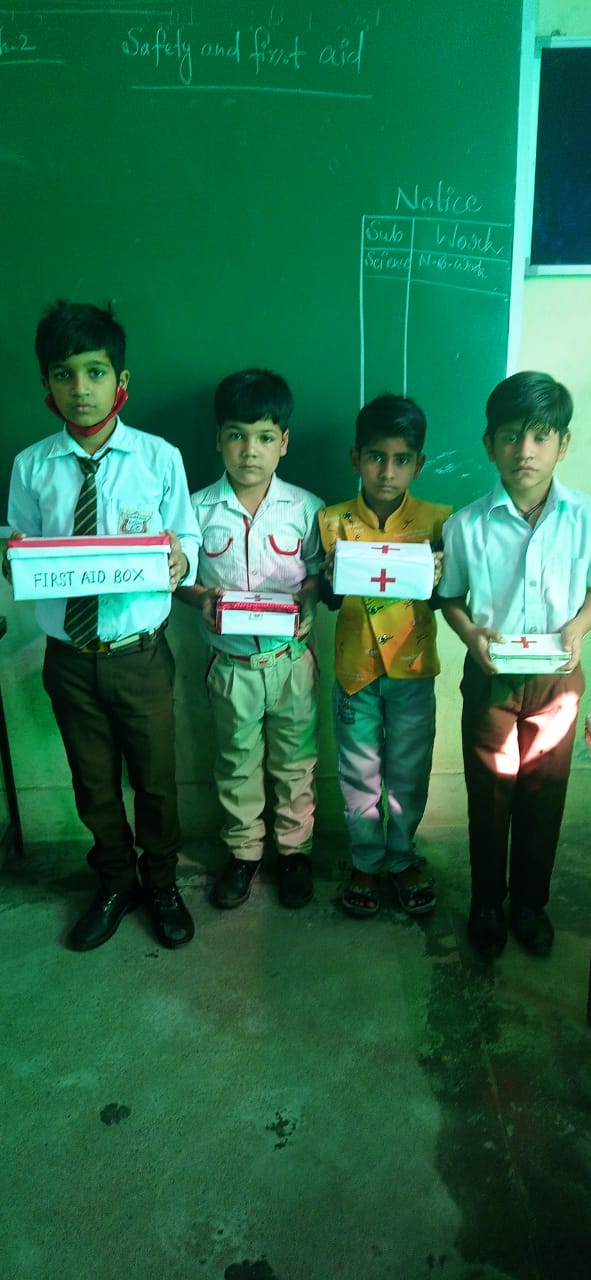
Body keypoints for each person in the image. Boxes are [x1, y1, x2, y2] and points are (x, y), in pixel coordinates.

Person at [5, 300, 201, 951]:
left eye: (95, 372)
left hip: (138, 654)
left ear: (122, 380)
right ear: (46, 384)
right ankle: (115, 881)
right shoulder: (32, 466)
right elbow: (18, 541)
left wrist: (181, 558)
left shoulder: (158, 458)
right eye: (64, 374)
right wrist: (11, 556)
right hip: (67, 657)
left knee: (155, 782)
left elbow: (187, 536)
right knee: (92, 784)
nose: (80, 388)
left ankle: (162, 882)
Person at [439, 371, 591, 958]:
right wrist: (470, 634)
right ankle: (486, 902)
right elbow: (450, 598)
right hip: (490, 678)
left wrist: (579, 626)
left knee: (544, 796)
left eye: (540, 436)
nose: (524, 451)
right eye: (510, 436)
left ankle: (530, 903)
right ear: (489, 444)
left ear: (563, 444)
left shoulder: (584, 517)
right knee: (489, 793)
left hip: (557, 683)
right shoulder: (465, 525)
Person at [176, 368, 324, 910]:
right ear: (219, 439)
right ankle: (243, 854)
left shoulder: (307, 508)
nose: (249, 451)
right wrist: (200, 598)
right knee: (236, 763)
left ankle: (295, 852)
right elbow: (181, 579)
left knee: (295, 761)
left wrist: (309, 597)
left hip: (290, 661)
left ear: (284, 442)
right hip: (230, 664)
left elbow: (316, 573)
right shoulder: (196, 509)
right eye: (236, 435)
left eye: (264, 437)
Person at [318, 393, 451, 918]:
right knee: (359, 773)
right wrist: (329, 578)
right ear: (356, 459)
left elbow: (445, 598)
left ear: (419, 464)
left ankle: (402, 857)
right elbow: (329, 601)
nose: (387, 471)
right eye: (376, 457)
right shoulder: (332, 521)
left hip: (412, 671)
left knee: (409, 771)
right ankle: (366, 860)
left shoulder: (439, 521)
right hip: (356, 670)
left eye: (401, 460)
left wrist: (439, 578)